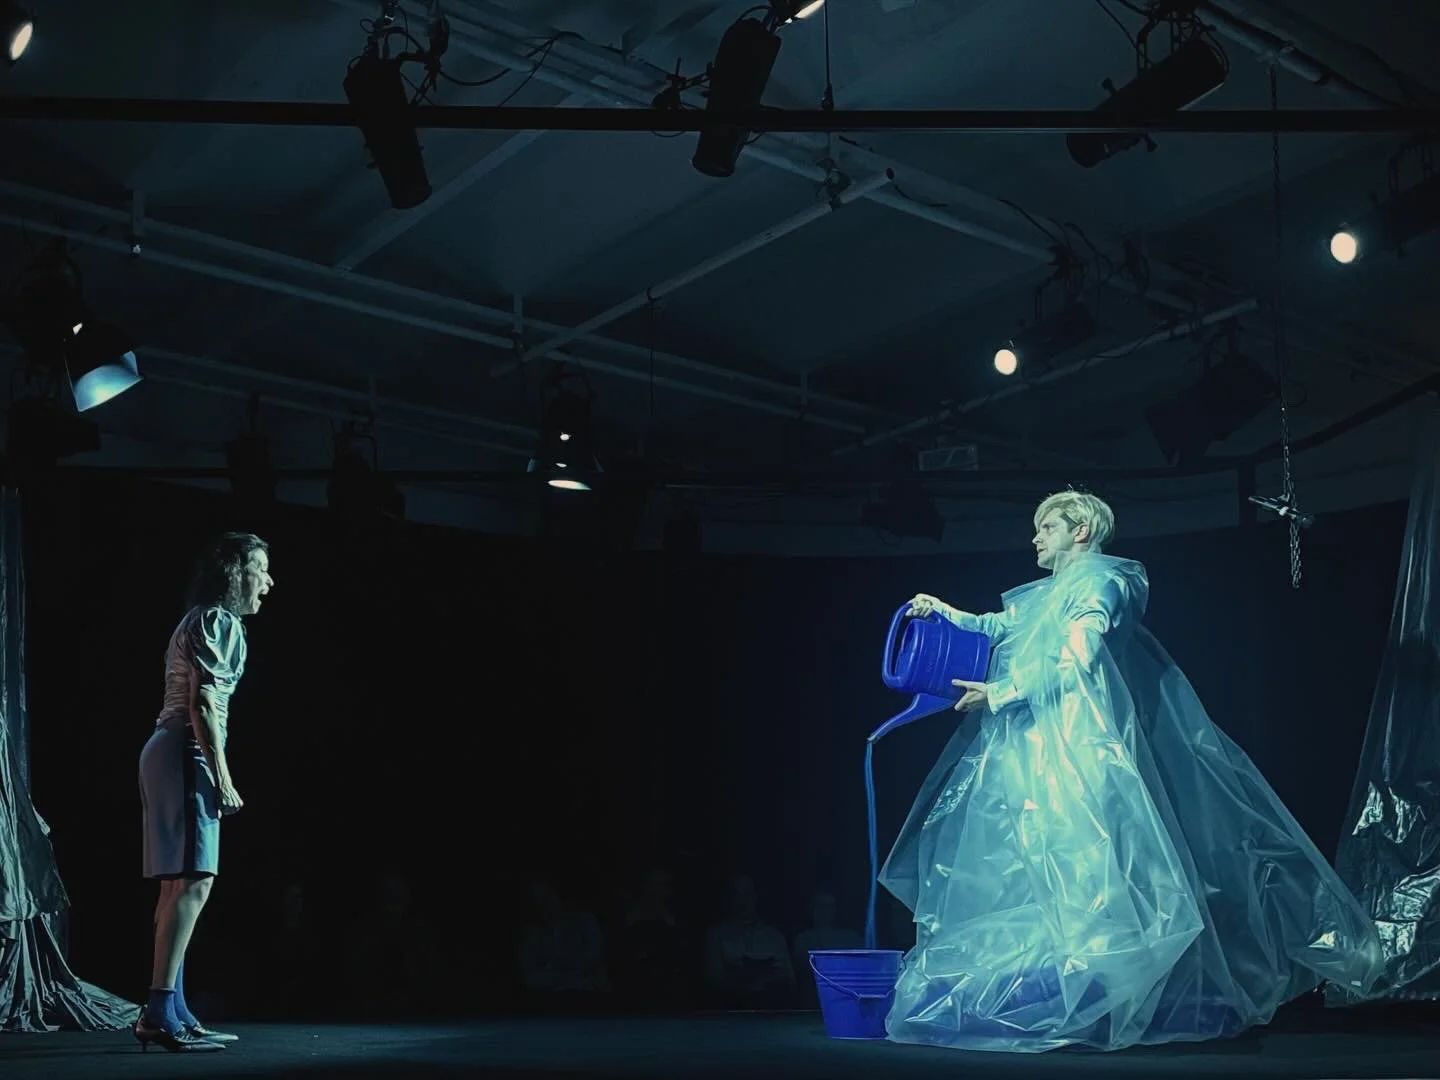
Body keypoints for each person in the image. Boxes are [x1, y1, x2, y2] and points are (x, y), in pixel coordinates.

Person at [883, 490, 1382, 1052]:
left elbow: (1079, 656)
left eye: (1047, 527)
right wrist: (944, 611)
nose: (1035, 537)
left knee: (1082, 856)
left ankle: (1101, 978)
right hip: (1032, 741)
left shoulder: (1103, 582)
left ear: (1080, 531)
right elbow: (999, 625)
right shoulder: (1052, 593)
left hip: (1077, 744)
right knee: (1029, 856)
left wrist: (1001, 691)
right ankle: (1058, 976)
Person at [134, 533, 273, 1052]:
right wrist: (224, 776)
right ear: (236, 571)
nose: (268, 581)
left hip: (167, 751)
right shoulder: (218, 620)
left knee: (178, 886)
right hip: (185, 754)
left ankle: (173, 1008)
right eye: (260, 568)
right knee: (193, 882)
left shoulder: (197, 619)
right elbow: (205, 702)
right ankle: (159, 1011)